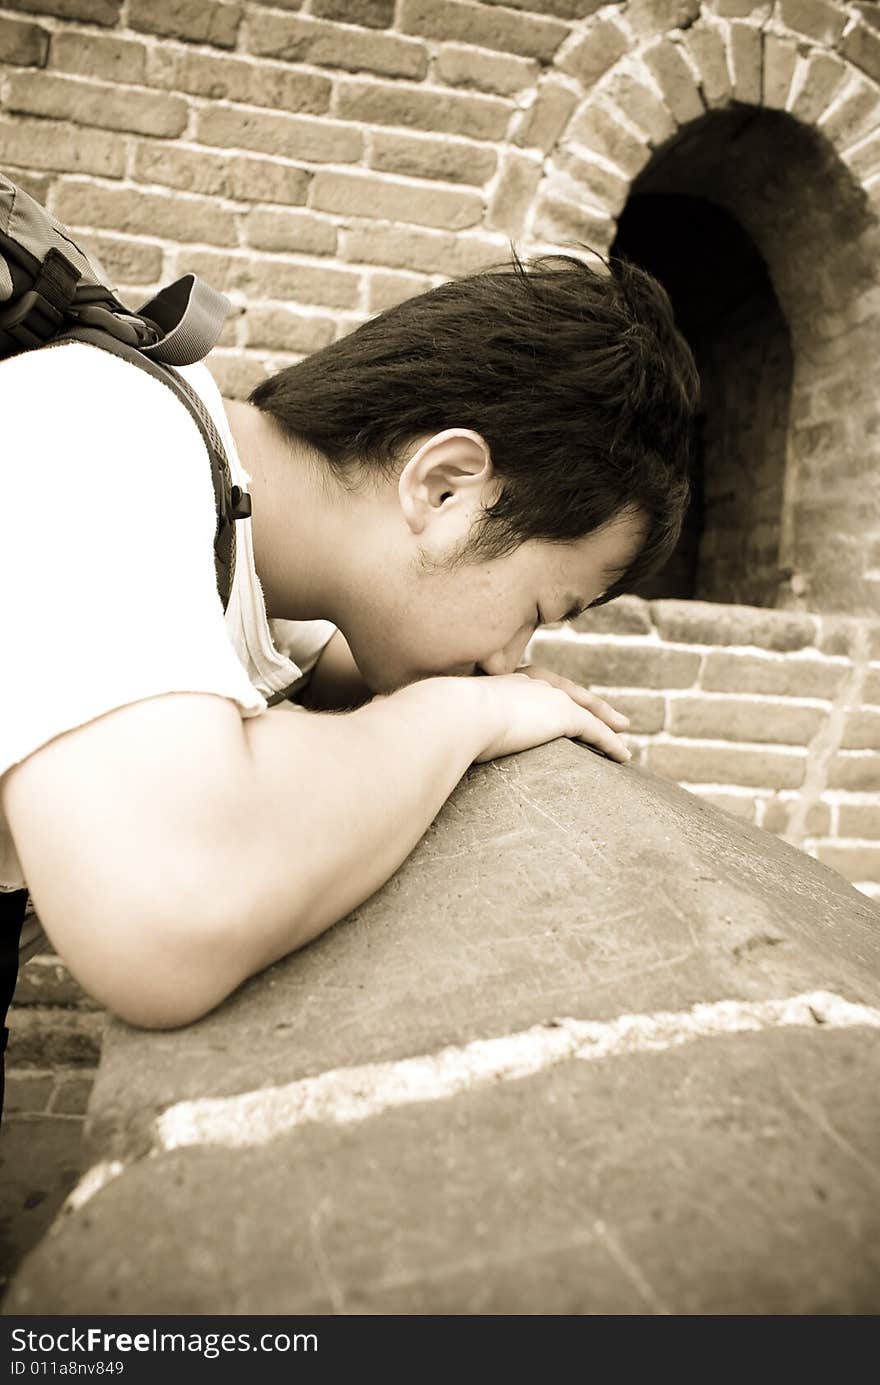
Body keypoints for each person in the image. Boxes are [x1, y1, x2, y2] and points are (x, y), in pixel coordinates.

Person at [0, 250, 698, 1045]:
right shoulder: (94, 437)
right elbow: (169, 915)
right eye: (540, 608)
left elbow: (311, 671)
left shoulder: (238, 530)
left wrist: (482, 702)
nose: (512, 658)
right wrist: (463, 711)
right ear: (444, 487)